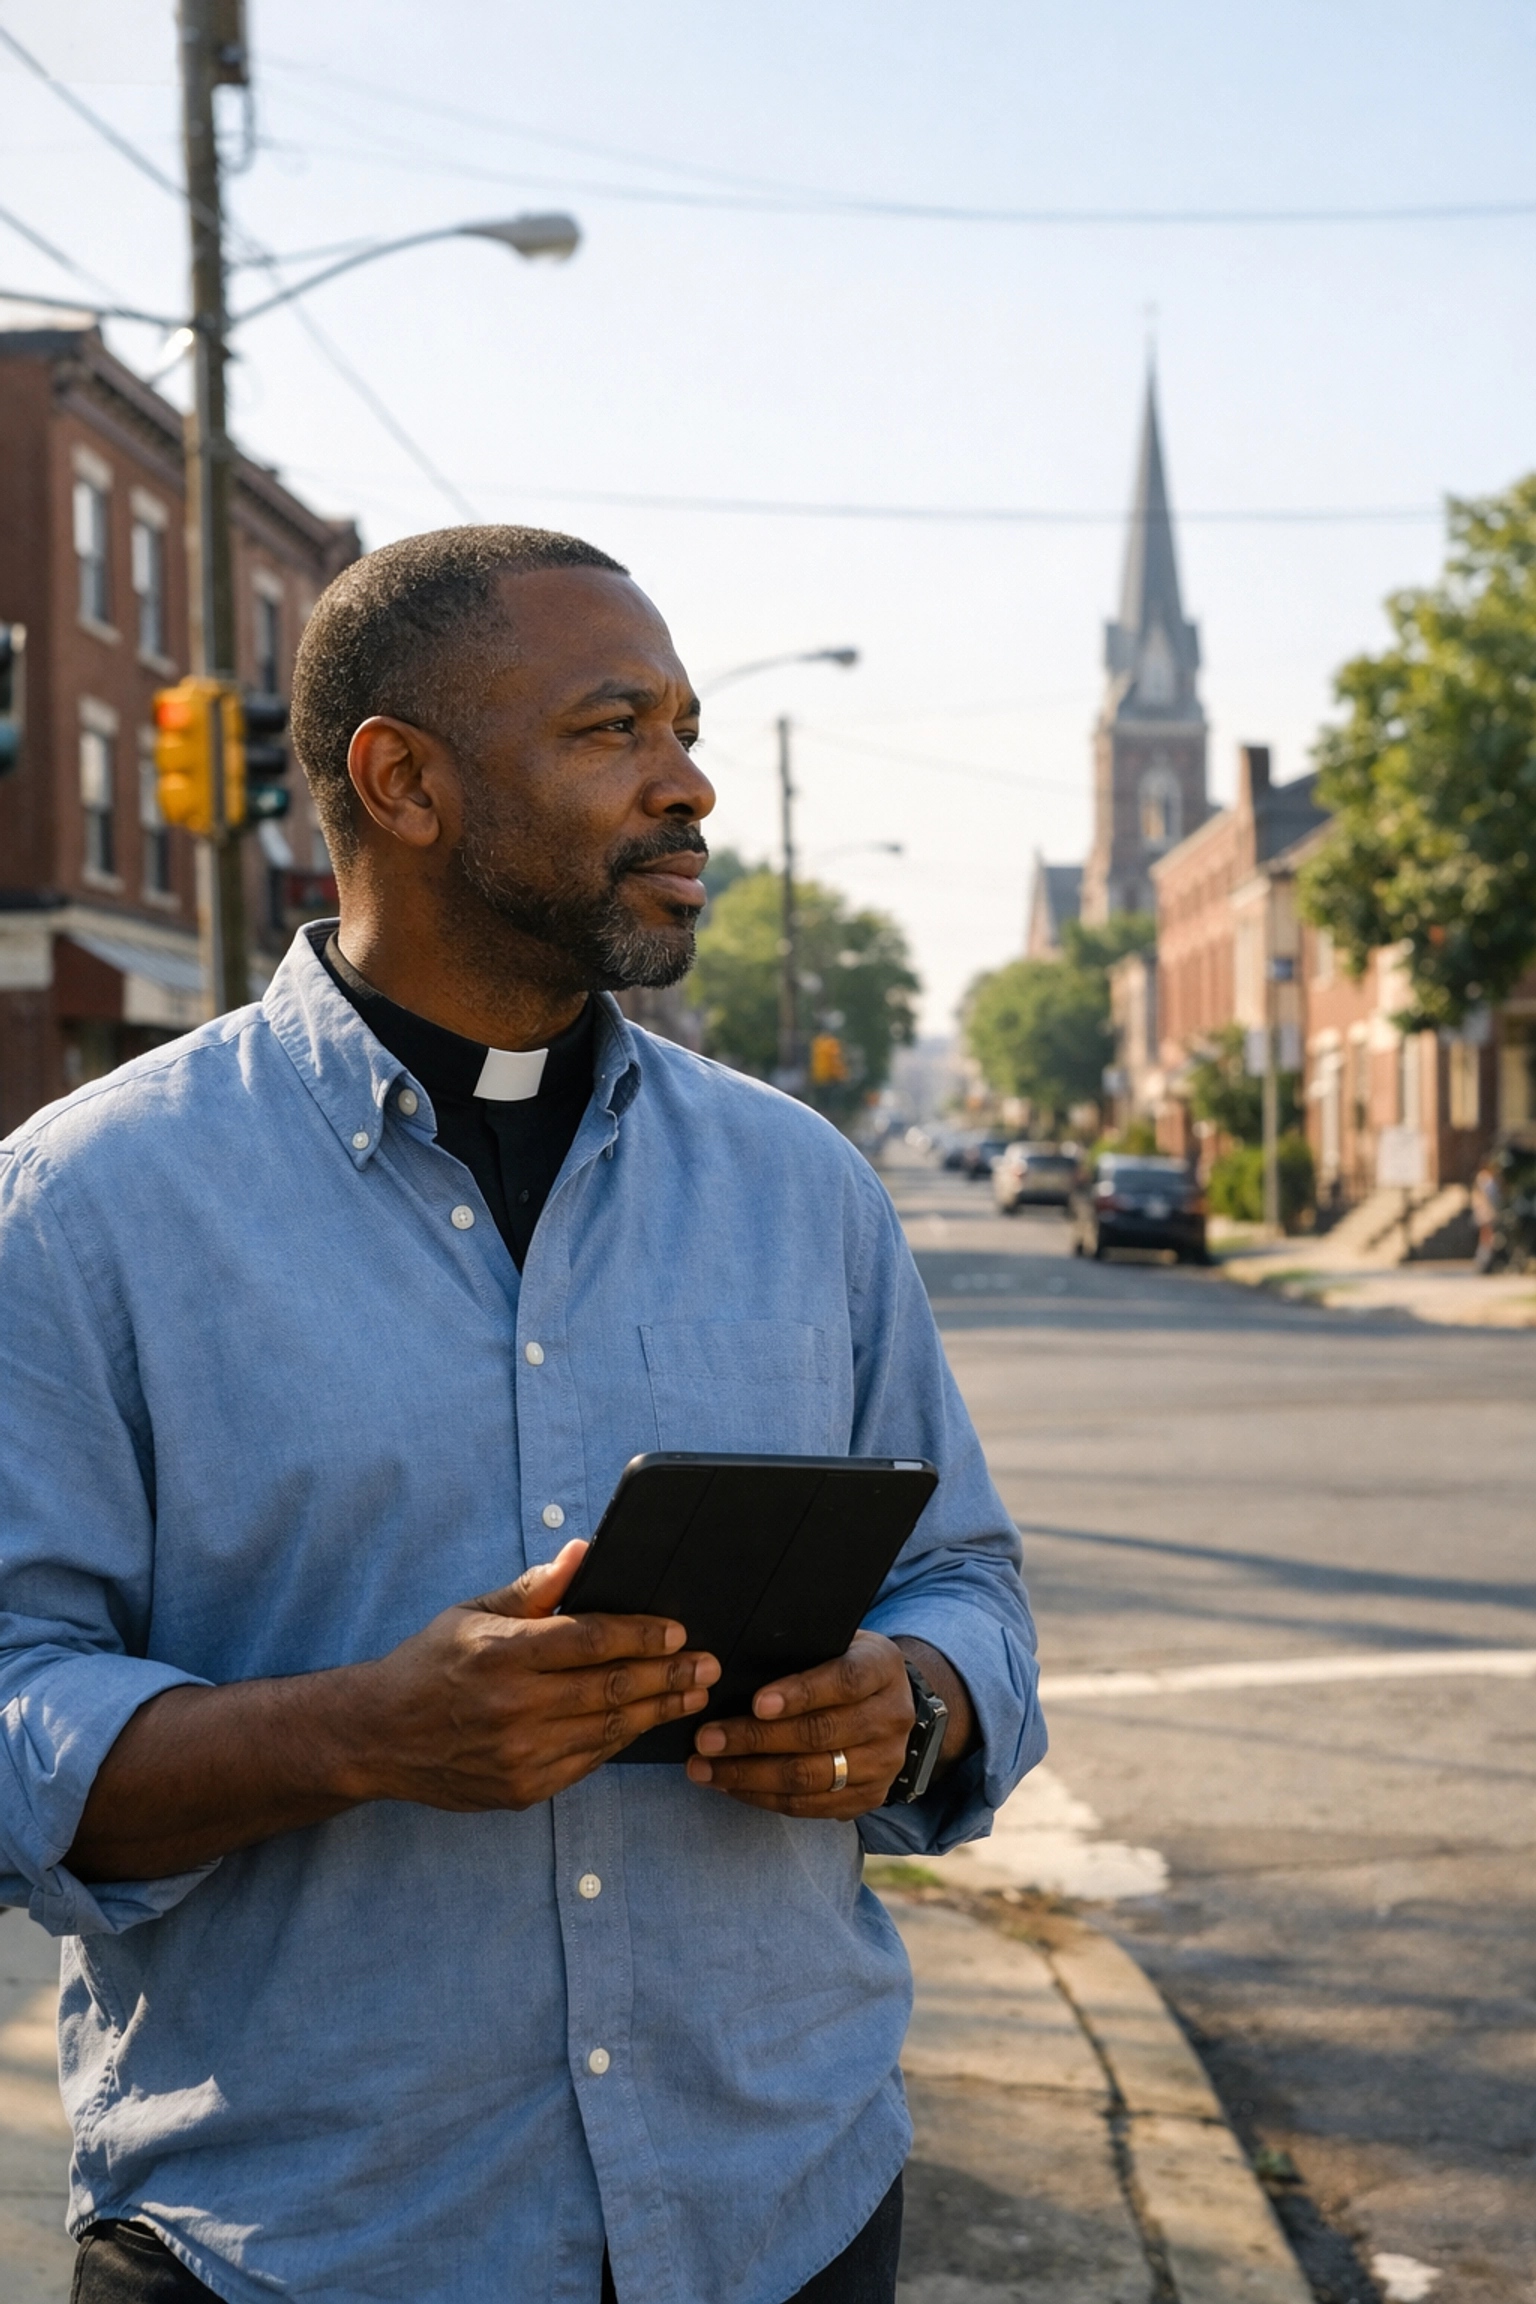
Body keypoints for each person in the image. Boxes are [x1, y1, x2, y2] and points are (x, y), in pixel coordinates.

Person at [0, 527, 1044, 2304]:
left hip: (784, 2213)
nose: (687, 783)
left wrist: (916, 1706)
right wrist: (359, 1733)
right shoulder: (84, 1206)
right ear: (403, 783)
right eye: (612, 729)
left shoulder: (800, 1186)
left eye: (687, 728)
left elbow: (970, 1586)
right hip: (305, 2249)